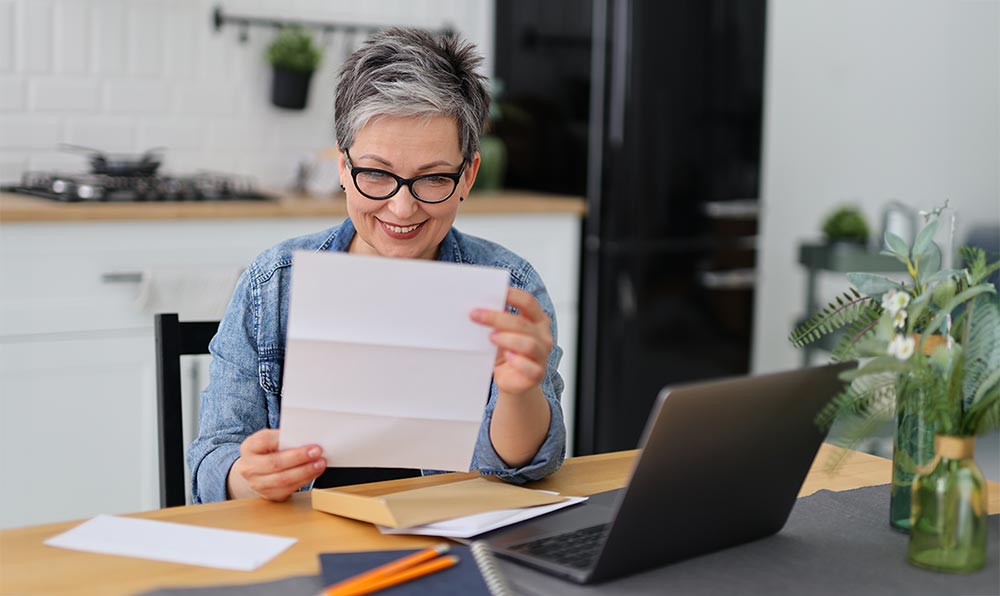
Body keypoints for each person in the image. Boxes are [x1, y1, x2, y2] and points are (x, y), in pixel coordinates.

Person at [188, 27, 567, 503]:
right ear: (343, 168)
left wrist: (518, 393)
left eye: (432, 179)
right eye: (376, 174)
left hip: (448, 541)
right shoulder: (273, 284)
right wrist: (250, 476)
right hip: (309, 548)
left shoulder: (511, 288)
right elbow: (210, 462)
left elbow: (529, 469)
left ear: (468, 174)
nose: (402, 209)